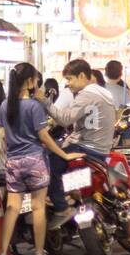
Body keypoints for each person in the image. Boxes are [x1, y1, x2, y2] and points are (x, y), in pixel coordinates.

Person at [0, 62, 82, 255]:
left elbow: (2, 134)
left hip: (13, 161)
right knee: (38, 207)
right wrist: (64, 155)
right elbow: (44, 136)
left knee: (11, 208)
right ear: (30, 82)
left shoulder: (6, 105)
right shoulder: (34, 106)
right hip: (35, 159)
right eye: (35, 79)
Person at [41, 58, 116, 228]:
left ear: (82, 75)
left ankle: (61, 208)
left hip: (86, 147)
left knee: (49, 164)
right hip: (102, 149)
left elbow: (64, 119)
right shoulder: (104, 93)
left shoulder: (86, 94)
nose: (68, 84)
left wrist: (45, 102)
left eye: (70, 79)